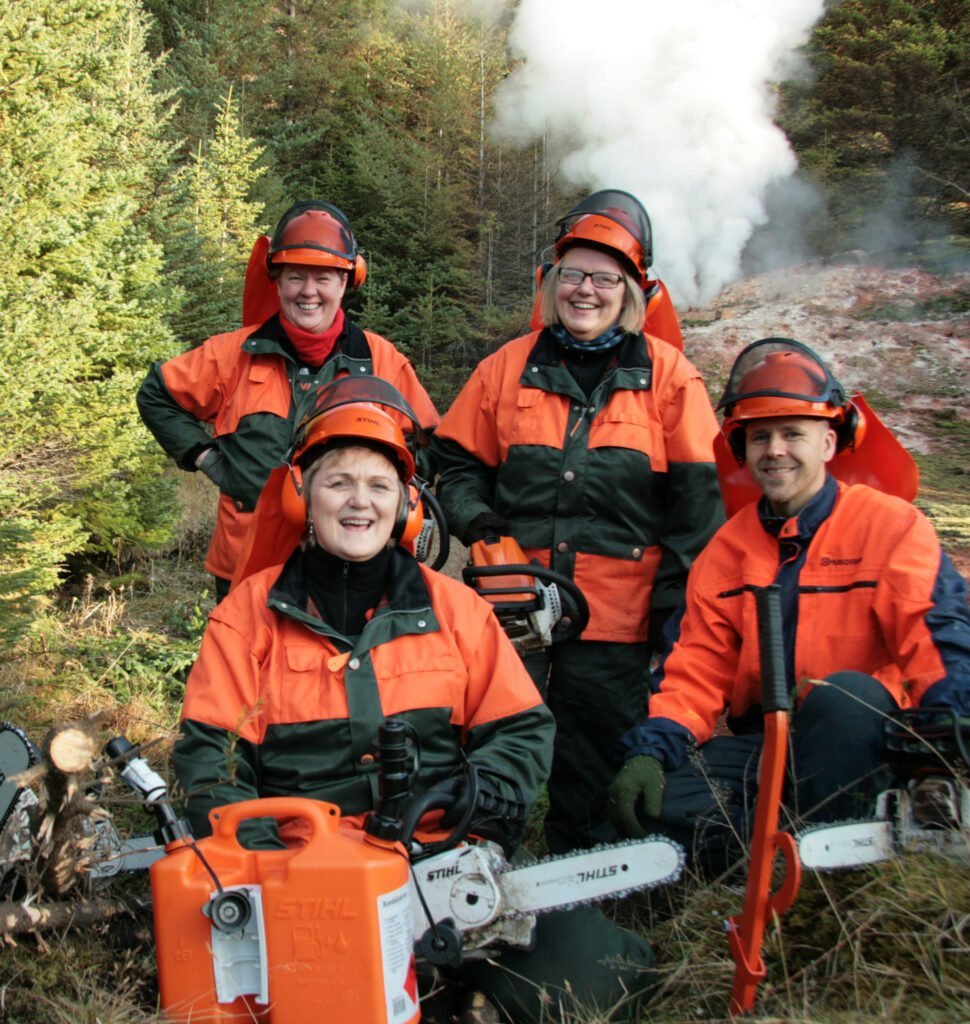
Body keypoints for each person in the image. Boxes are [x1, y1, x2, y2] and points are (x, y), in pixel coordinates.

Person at [172, 379, 656, 1024]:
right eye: (338, 482)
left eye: (378, 486)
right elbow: (212, 760)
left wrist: (478, 796)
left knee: (597, 984)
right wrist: (271, 863)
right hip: (301, 876)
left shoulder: (454, 608)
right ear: (303, 497)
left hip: (442, 859)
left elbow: (519, 728)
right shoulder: (248, 615)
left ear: (406, 503)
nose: (358, 503)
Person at [431, 189, 724, 852]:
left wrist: (674, 623)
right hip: (511, 607)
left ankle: (583, 896)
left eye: (603, 278)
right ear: (551, 281)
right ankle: (472, 876)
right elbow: (453, 462)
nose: (585, 290)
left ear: (632, 291)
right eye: (573, 275)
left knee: (594, 772)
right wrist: (481, 526)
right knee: (488, 747)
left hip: (618, 627)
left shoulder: (673, 381)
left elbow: (697, 515)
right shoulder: (507, 368)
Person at [607, 338, 970, 872]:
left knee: (845, 697)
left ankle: (839, 868)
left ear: (829, 442)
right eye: (760, 437)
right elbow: (695, 671)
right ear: (743, 450)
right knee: (663, 807)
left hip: (870, 740)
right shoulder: (725, 552)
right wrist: (654, 746)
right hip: (768, 745)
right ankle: (781, 854)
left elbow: (933, 631)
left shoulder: (890, 526)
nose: (775, 449)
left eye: (792, 433)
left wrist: (949, 722)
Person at [137, 200, 438, 600]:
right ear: (276, 281)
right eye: (295, 277)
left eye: (323, 278)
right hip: (247, 566)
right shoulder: (231, 356)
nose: (308, 292)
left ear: (347, 281)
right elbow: (157, 394)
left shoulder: (381, 360)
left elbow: (430, 445)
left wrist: (398, 501)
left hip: (355, 571)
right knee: (243, 662)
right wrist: (207, 460)